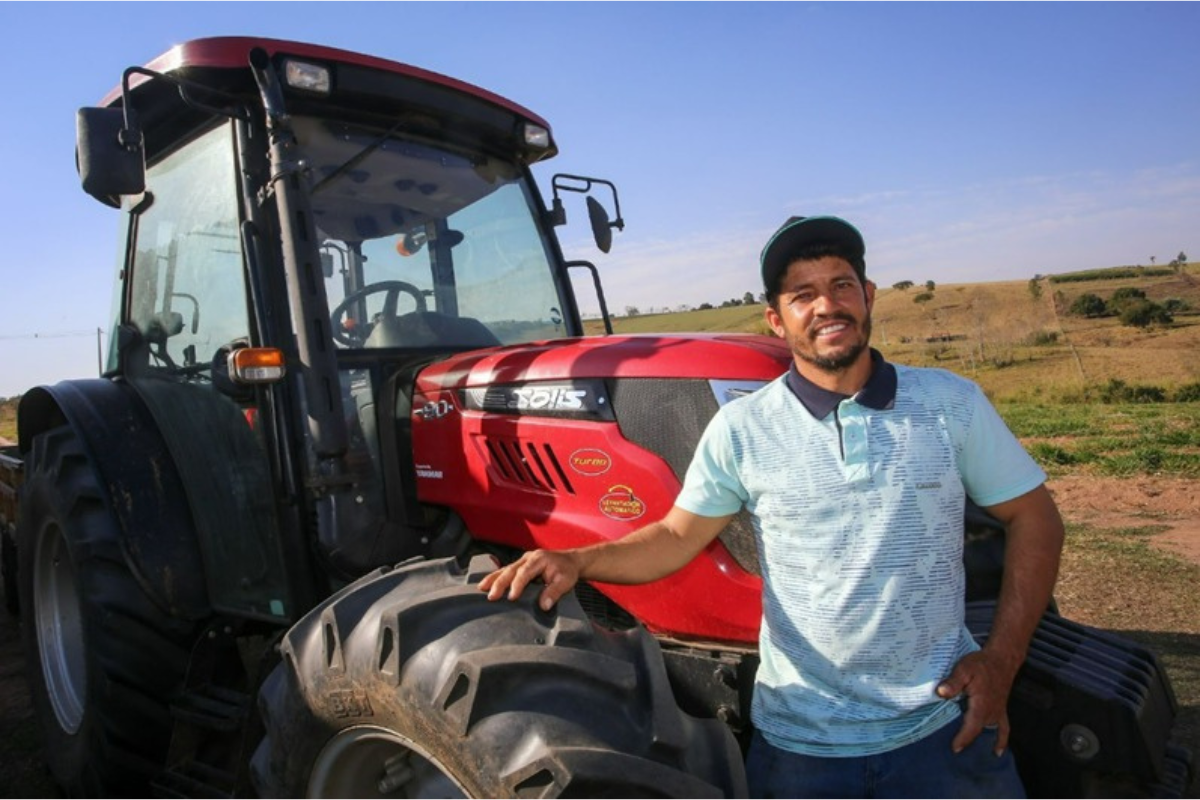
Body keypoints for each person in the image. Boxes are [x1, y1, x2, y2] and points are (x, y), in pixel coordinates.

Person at [480, 215, 1065, 798]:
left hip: (942, 734)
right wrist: (578, 561)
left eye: (841, 285)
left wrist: (1002, 661)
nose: (826, 306)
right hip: (801, 752)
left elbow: (1034, 517)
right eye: (802, 295)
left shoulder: (949, 403)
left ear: (868, 296)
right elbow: (678, 536)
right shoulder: (742, 428)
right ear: (775, 318)